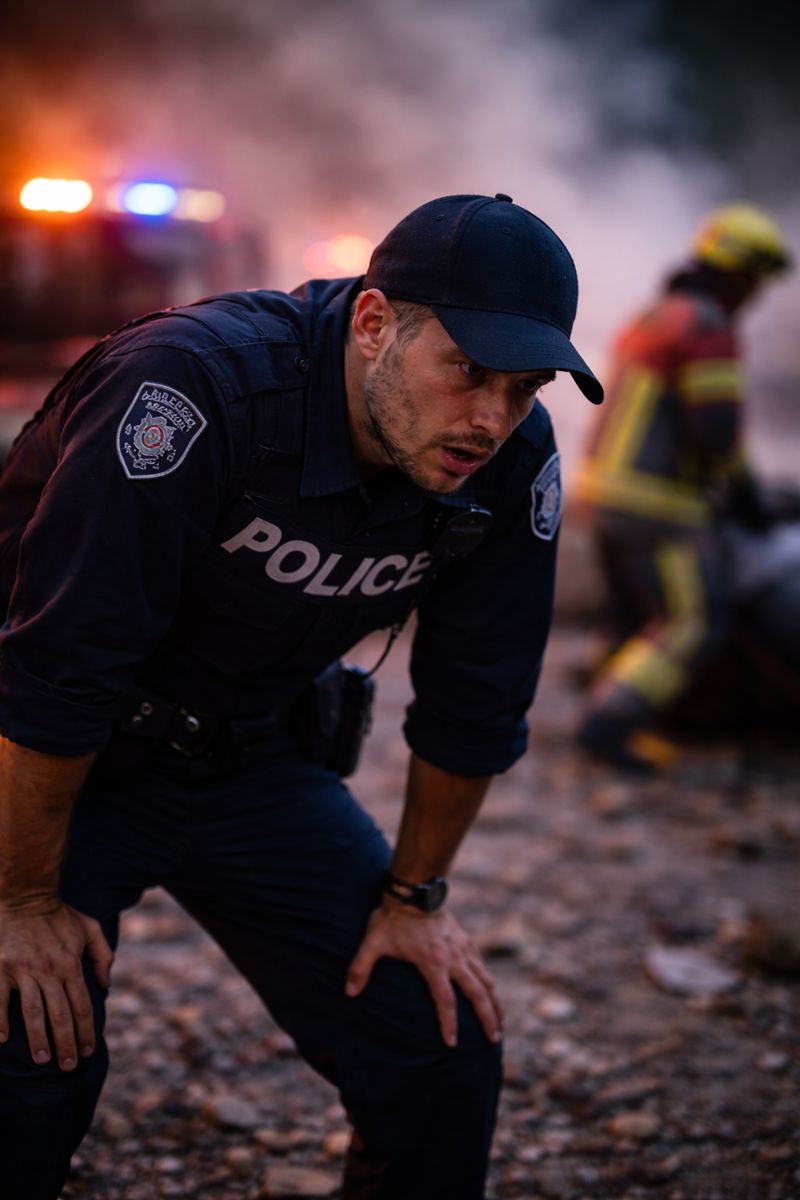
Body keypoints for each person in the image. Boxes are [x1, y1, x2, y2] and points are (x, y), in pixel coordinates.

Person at [0, 192, 602, 1200]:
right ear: (372, 324)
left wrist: (413, 900)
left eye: (524, 385)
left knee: (437, 1041)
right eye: (468, 372)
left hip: (249, 758)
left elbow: (477, 702)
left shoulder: (508, 464)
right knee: (26, 1053)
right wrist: (18, 900)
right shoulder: (193, 389)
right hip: (49, 756)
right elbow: (62, 667)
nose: (491, 419)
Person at [574, 203, 792, 772]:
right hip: (659, 504)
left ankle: (608, 703)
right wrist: (747, 496)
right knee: (692, 622)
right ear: (742, 274)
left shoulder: (655, 315)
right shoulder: (708, 328)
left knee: (628, 617)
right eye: (759, 280)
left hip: (601, 491)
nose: (758, 295)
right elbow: (717, 430)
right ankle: (608, 726)